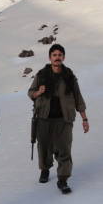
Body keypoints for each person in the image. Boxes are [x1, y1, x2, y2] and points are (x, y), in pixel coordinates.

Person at [28, 44, 89, 193]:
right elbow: (30, 93)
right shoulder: (41, 75)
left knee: (64, 148)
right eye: (54, 55)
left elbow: (78, 98)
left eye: (60, 55)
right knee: (44, 147)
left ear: (63, 57)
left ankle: (63, 179)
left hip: (64, 119)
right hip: (44, 118)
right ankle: (45, 169)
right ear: (50, 58)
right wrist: (38, 92)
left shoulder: (69, 76)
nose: (57, 57)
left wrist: (84, 119)